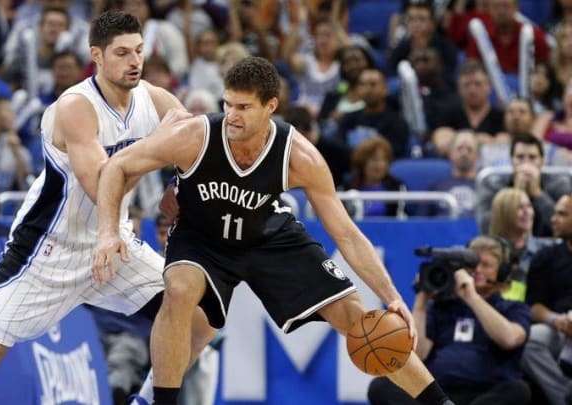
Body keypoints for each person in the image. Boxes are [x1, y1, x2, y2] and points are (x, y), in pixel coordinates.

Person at [93, 56, 455, 405]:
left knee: (362, 322)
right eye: (228, 104)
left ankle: (440, 402)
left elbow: (345, 233)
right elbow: (117, 167)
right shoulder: (195, 136)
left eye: (244, 107)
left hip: (268, 234)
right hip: (201, 236)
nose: (232, 116)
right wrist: (109, 231)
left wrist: (391, 296)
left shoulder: (300, 156)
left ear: (271, 106)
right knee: (179, 289)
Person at [0, 11, 215, 405]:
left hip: (113, 245)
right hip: (49, 250)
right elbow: (102, 182)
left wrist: (182, 184)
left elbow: (201, 156)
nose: (134, 61)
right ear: (96, 56)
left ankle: (145, 401)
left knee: (200, 321)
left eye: (138, 51)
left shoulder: (156, 100)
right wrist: (158, 150)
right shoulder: (76, 107)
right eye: (122, 53)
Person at [368, 236, 532, 405]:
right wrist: (422, 301)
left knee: (519, 390)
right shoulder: (441, 307)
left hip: (484, 393)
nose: (477, 270)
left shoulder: (513, 309)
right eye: (472, 264)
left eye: (486, 265)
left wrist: (471, 297)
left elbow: (510, 339)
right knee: (381, 386)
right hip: (439, 395)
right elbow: (417, 355)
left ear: (502, 271)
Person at [522, 194, 572, 405]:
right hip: (560, 329)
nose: (553, 219)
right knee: (530, 339)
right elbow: (533, 306)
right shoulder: (546, 256)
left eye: (562, 214)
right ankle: (564, 398)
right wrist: (556, 320)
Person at [477, 133, 572, 237]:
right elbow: (485, 226)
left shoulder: (558, 184)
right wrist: (515, 195)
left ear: (542, 160)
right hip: (505, 245)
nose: (526, 163)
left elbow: (566, 226)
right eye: (520, 157)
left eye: (532, 157)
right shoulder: (493, 185)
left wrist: (538, 194)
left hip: (549, 245)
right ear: (511, 160)